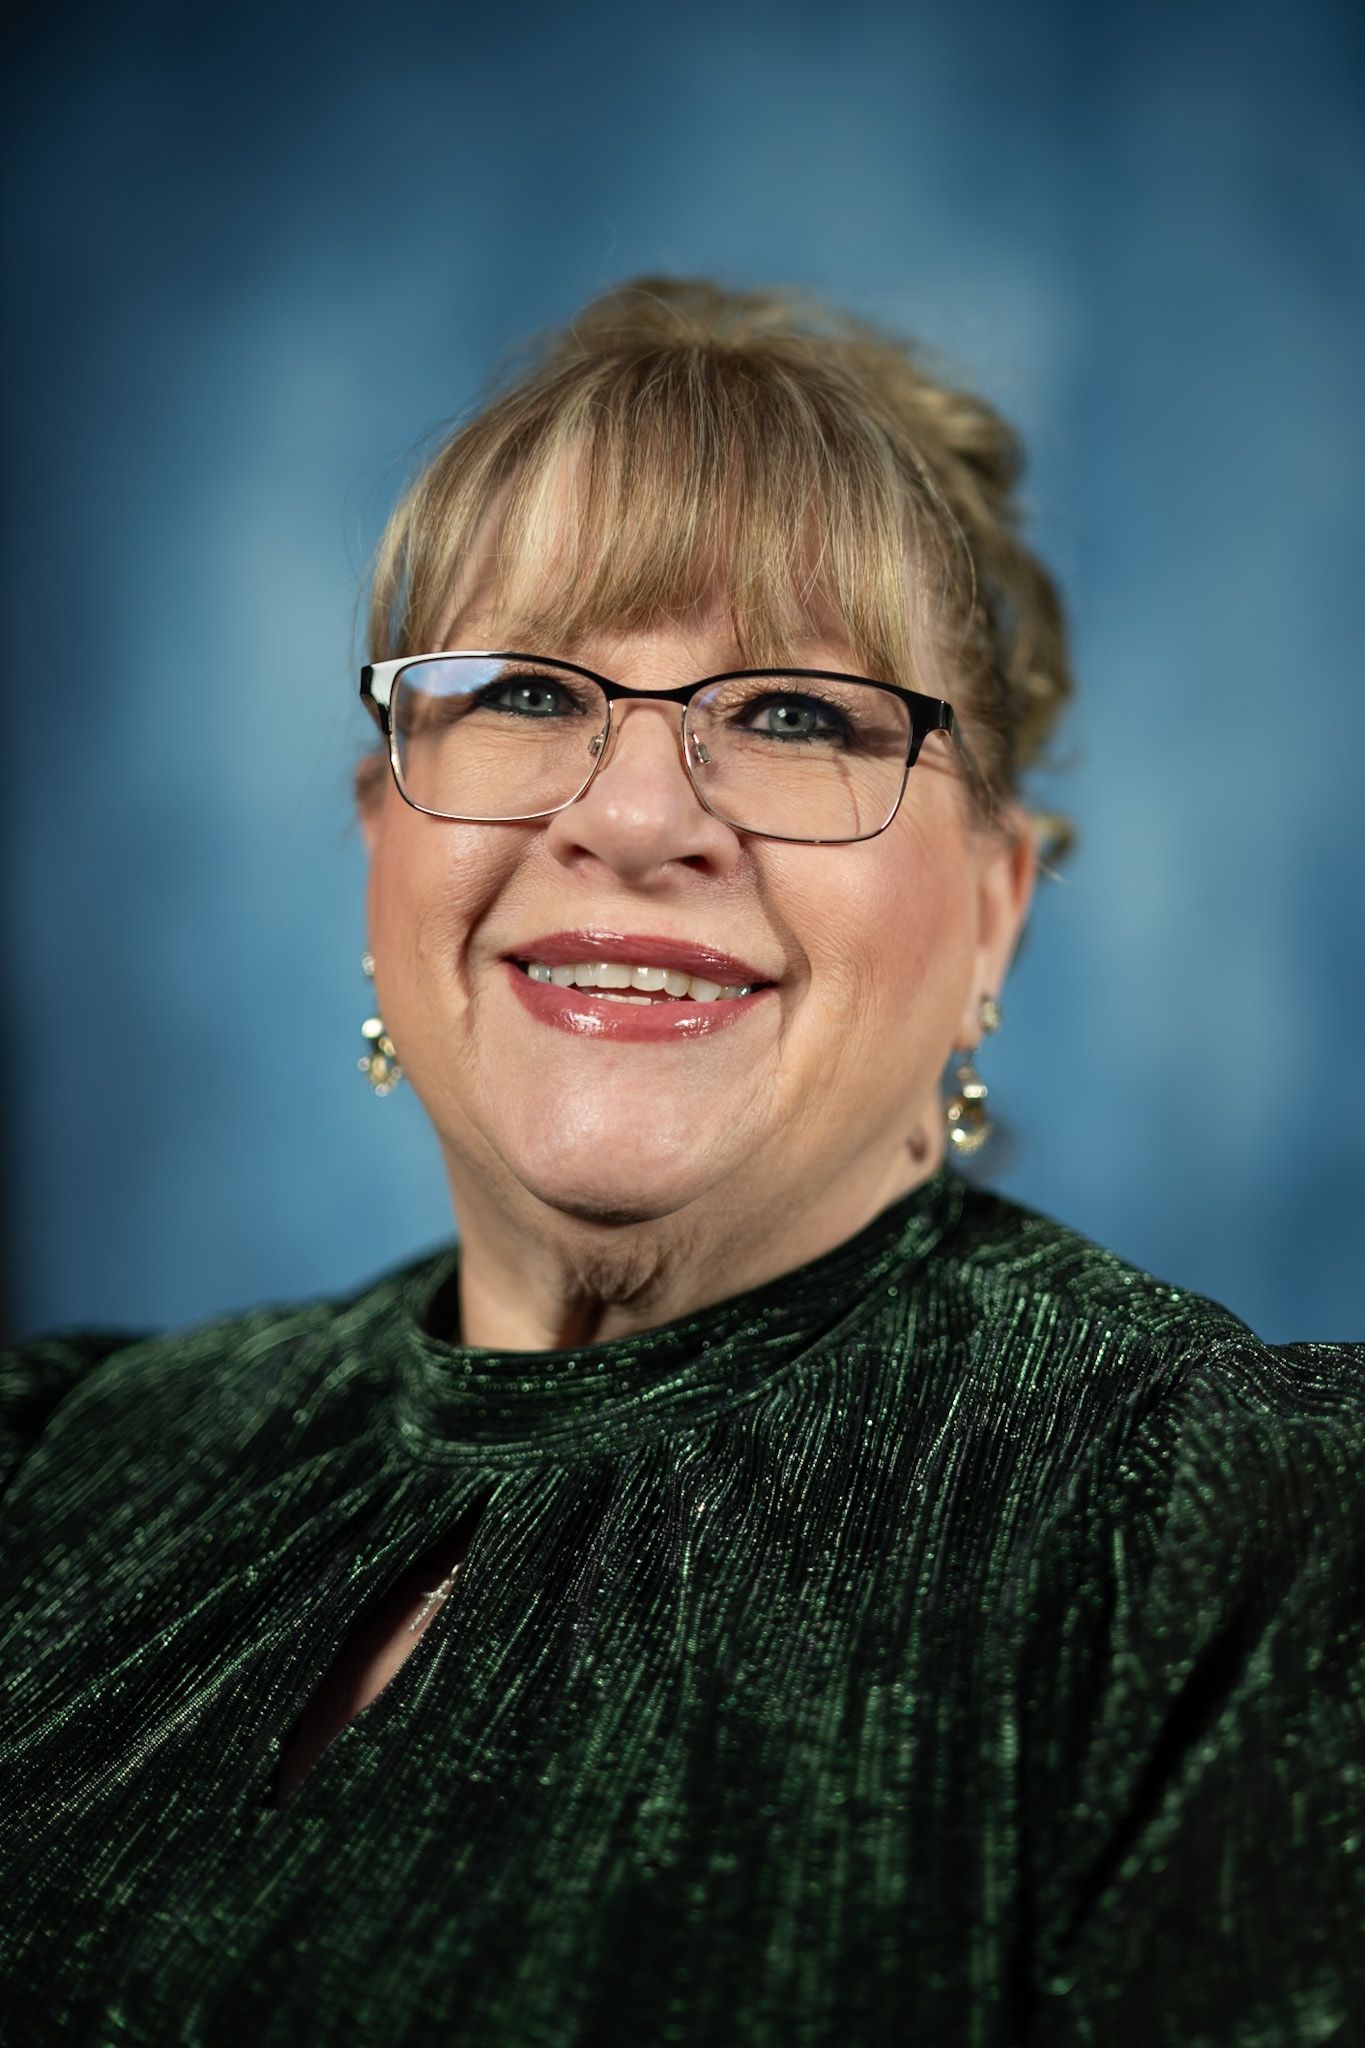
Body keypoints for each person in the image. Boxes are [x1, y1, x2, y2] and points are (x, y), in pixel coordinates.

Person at [1, 276, 1359, 2047]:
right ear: (380, 846)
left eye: (795, 714)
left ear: (994, 916)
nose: (634, 818)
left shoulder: (1238, 1546)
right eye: (524, 690)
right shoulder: (58, 1463)